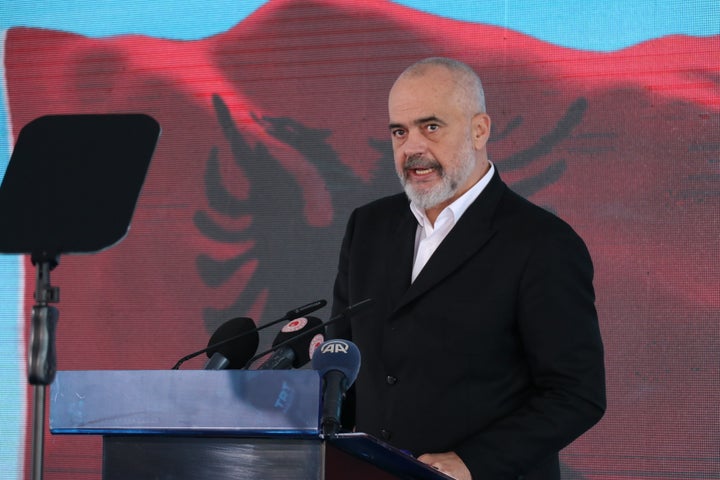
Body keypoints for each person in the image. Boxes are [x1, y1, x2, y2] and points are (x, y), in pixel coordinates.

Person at [329, 57, 606, 480]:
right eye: (399, 132)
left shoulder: (543, 243)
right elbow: (343, 360)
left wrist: (472, 463)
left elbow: (576, 393)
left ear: (480, 130)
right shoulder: (367, 227)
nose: (412, 148)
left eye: (431, 127)